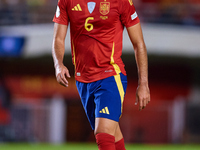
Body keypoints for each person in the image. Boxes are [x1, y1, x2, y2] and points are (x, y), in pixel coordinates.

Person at [52, 0, 150, 149]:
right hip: (83, 80)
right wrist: (58, 64)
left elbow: (139, 44)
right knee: (113, 135)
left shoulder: (121, 2)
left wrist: (143, 84)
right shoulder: (66, 1)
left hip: (110, 75)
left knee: (103, 133)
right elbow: (58, 38)